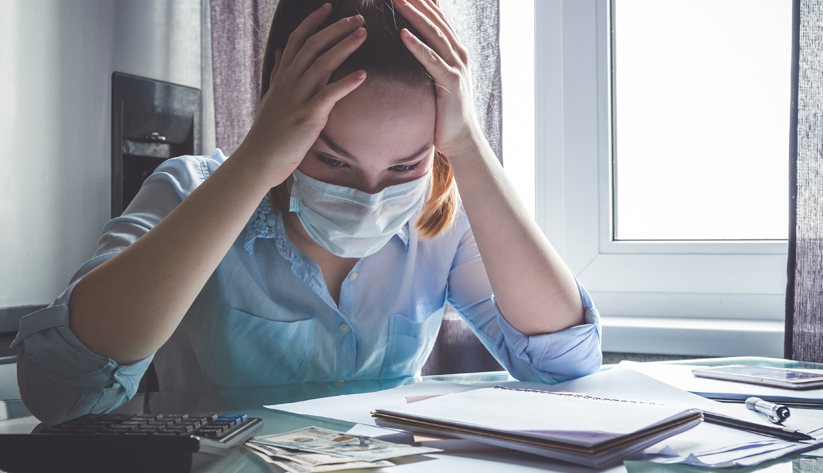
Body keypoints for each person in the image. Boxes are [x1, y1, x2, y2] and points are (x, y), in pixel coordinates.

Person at [14, 0, 602, 424]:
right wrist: (255, 164)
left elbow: (565, 363)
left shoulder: (440, 221)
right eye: (333, 160)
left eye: (404, 166)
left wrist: (470, 148)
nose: (371, 197)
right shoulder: (188, 192)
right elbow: (60, 389)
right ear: (282, 119)